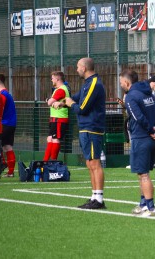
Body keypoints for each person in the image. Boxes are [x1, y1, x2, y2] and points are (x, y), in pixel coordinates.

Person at [64, 58, 106, 209]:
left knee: (95, 163)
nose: (76, 70)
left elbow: (81, 108)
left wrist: (70, 104)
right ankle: (94, 197)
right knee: (89, 163)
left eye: (77, 67)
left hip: (92, 128)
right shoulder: (86, 84)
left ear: (84, 68)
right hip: (85, 128)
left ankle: (99, 199)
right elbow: (73, 98)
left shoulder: (94, 84)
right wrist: (60, 100)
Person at [120, 70, 155, 217]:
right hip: (151, 139)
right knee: (142, 173)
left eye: (121, 83)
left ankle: (151, 208)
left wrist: (151, 130)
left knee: (143, 174)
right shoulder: (149, 93)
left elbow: (137, 117)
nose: (121, 85)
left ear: (127, 82)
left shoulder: (131, 96)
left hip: (141, 138)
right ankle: (143, 204)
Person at [43, 71, 70, 161]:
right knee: (50, 138)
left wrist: (48, 100)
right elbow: (51, 102)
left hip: (60, 119)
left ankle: (52, 161)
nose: (51, 80)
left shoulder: (61, 89)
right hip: (55, 119)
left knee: (55, 139)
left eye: (53, 78)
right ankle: (45, 162)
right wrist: (49, 100)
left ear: (57, 79)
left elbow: (50, 102)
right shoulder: (58, 89)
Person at [0, 74, 17, 177]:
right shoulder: (7, 94)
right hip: (11, 124)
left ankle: (2, 164)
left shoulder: (2, 94)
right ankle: (11, 172)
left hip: (4, 124)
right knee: (8, 147)